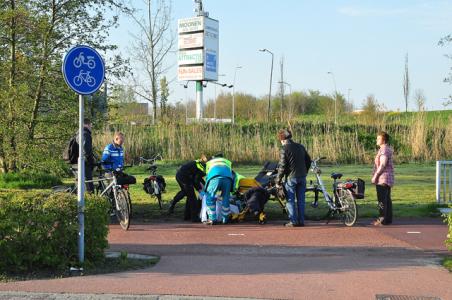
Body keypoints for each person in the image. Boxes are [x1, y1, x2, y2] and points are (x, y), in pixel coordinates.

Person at [276, 129, 311, 227]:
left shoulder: (284, 149)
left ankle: (293, 221)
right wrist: (305, 172)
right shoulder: (300, 147)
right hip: (302, 177)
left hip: (291, 178)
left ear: (282, 140)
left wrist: (277, 181)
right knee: (301, 200)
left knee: (290, 200)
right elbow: (309, 161)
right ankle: (301, 221)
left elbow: (282, 166)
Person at [167, 155, 208, 222]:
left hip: (182, 175)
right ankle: (194, 218)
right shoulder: (202, 167)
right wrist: (200, 189)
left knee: (187, 193)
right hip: (184, 177)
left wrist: (203, 187)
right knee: (192, 197)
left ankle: (186, 215)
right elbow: (196, 180)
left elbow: (198, 178)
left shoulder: (198, 163)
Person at [371, 131, 394, 226]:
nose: (377, 140)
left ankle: (382, 219)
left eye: (378, 138)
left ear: (383, 140)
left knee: (381, 200)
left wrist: (375, 176)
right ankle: (388, 219)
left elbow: (383, 164)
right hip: (387, 177)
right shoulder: (385, 149)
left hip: (383, 178)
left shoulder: (384, 150)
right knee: (387, 199)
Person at [204, 154, 233, 225]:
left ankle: (212, 219)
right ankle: (225, 219)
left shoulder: (209, 162)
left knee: (210, 197)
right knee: (226, 197)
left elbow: (208, 175)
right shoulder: (227, 161)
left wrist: (205, 189)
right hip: (227, 179)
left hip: (214, 177)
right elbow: (230, 171)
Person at [73, 118, 96, 193]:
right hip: (85, 163)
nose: (91, 127)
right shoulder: (85, 134)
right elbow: (86, 151)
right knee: (89, 185)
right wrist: (91, 162)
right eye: (91, 125)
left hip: (77, 162)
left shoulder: (78, 133)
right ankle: (91, 201)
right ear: (88, 124)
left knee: (79, 184)